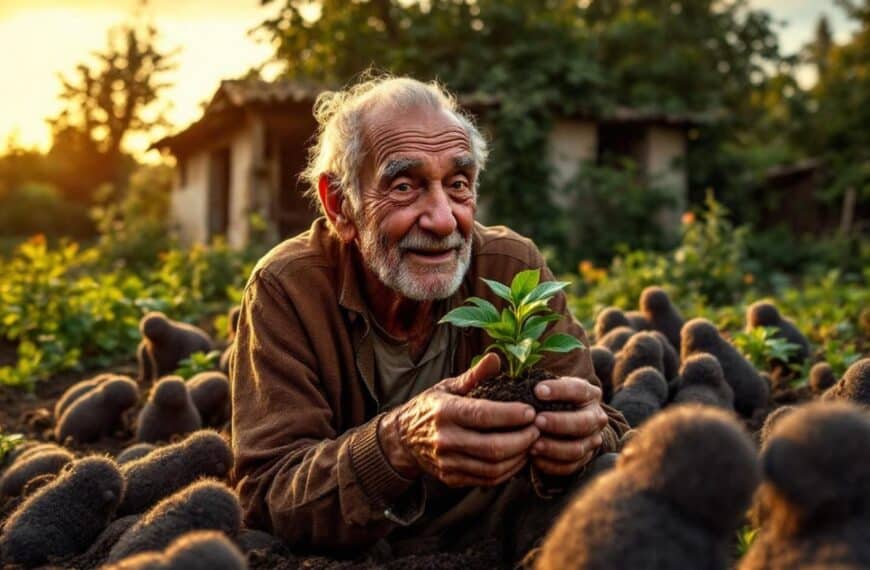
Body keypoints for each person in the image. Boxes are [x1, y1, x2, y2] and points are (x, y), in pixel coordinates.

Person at [230, 75, 629, 563]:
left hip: (497, 527)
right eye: (404, 186)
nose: (443, 220)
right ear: (340, 204)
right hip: (360, 548)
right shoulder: (287, 288)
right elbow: (271, 495)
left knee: (616, 491)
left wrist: (579, 438)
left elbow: (607, 426)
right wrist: (399, 442)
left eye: (458, 185)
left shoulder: (511, 267)